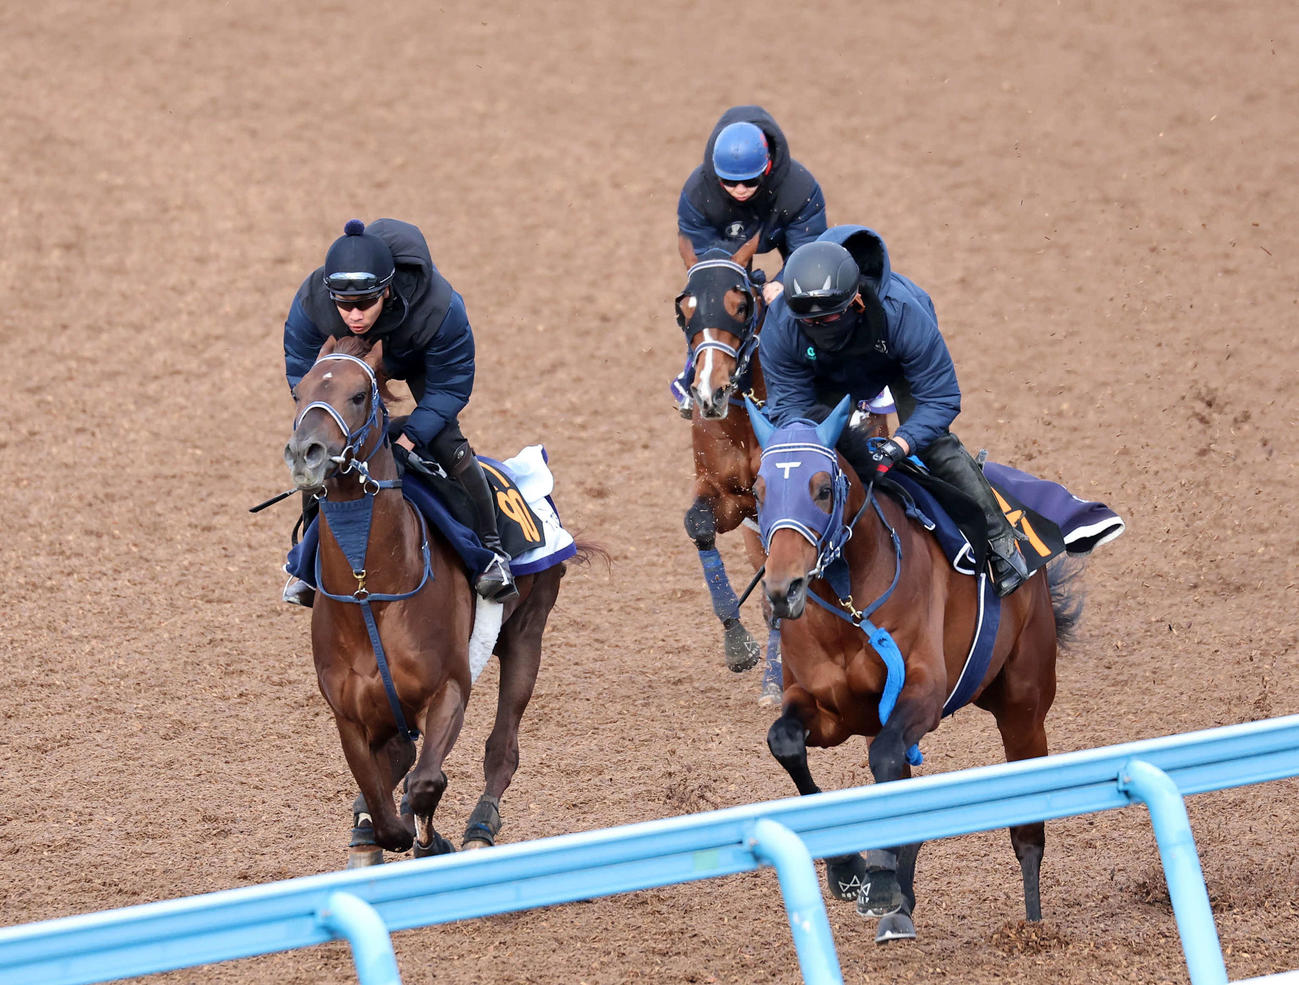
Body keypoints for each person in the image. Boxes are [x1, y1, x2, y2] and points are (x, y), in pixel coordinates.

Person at [758, 225, 1030, 596]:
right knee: (806, 454)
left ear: (855, 301)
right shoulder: (783, 324)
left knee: (935, 447)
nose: (817, 327)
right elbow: (789, 406)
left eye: (828, 318)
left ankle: (1001, 543)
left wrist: (901, 443)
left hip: (891, 362)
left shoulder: (903, 311)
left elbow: (941, 398)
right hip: (824, 372)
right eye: (809, 321)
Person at [280, 218, 517, 605]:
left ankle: (491, 554)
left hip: (420, 361)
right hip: (343, 366)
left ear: (386, 291)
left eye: (364, 305)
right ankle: (307, 563)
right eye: (344, 305)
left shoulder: (440, 308)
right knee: (316, 451)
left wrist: (409, 439)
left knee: (447, 444)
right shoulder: (310, 302)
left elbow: (450, 384)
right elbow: (303, 375)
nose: (354, 316)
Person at [672, 105, 829, 416]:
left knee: (808, 296)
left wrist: (782, 282)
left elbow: (808, 251)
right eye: (730, 183)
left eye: (750, 181)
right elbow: (706, 268)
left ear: (768, 167)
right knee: (710, 302)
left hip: (789, 242)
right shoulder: (696, 193)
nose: (740, 190)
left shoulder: (800, 189)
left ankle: (833, 377)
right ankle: (694, 371)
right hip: (723, 250)